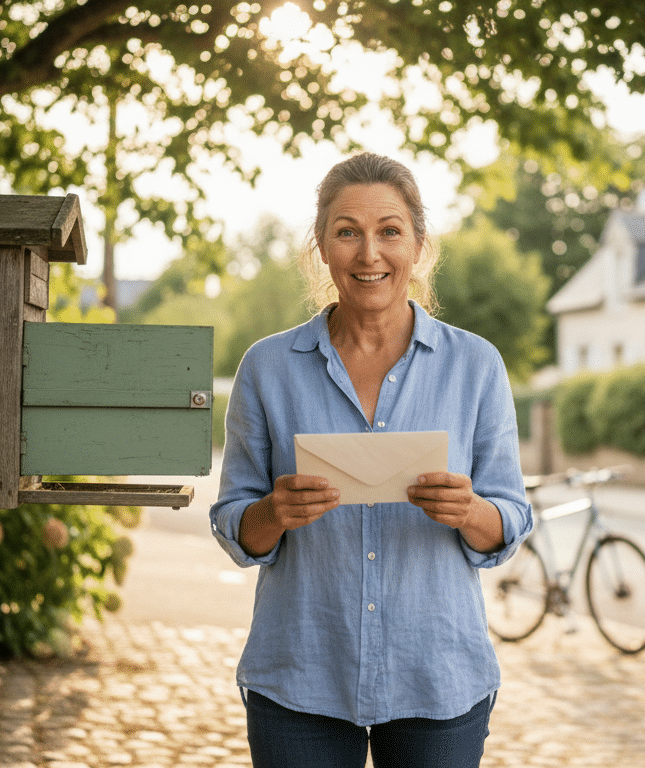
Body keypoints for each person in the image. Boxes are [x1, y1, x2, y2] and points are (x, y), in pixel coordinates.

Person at [209, 152, 532, 767]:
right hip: (300, 677)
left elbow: (511, 520)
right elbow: (234, 525)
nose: (368, 254)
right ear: (322, 248)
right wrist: (273, 512)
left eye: (389, 230)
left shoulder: (476, 365)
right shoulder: (268, 368)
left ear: (418, 245)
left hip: (438, 679)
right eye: (347, 232)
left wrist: (468, 511)